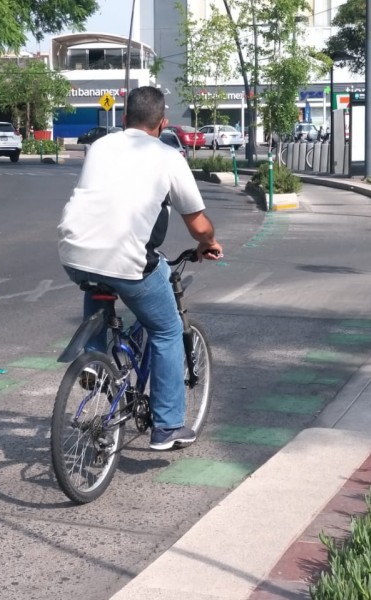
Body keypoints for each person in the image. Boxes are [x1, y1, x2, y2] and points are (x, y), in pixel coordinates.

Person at [57, 86, 223, 451]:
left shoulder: (100, 146)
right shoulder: (168, 156)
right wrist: (208, 243)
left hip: (73, 254)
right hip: (126, 261)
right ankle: (167, 427)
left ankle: (94, 363)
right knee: (166, 330)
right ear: (162, 123)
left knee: (100, 283)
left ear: (122, 118)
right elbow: (198, 224)